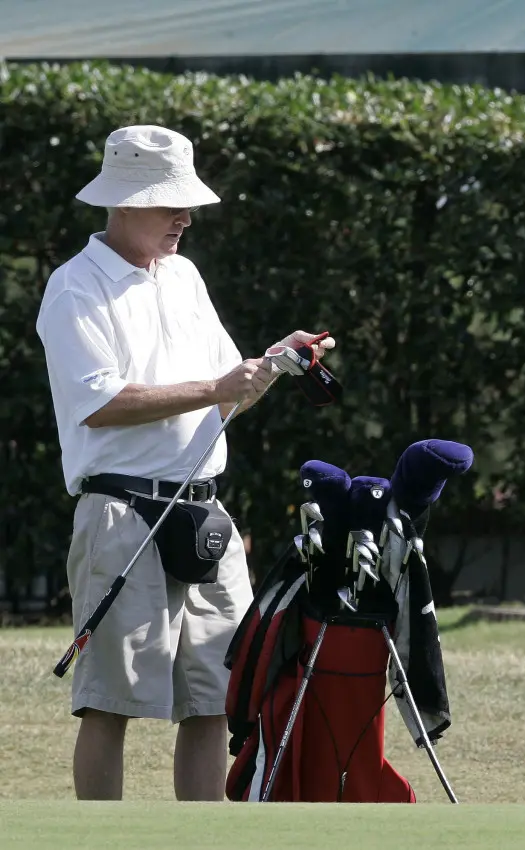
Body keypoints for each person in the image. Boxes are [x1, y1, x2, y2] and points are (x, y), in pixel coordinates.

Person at [34, 124, 336, 801]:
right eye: (170, 203)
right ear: (124, 201)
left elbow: (222, 398)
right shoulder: (74, 287)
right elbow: (101, 403)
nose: (186, 217)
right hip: (119, 514)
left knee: (215, 697)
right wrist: (217, 388)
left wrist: (268, 367)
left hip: (205, 515)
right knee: (110, 702)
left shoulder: (186, 277)